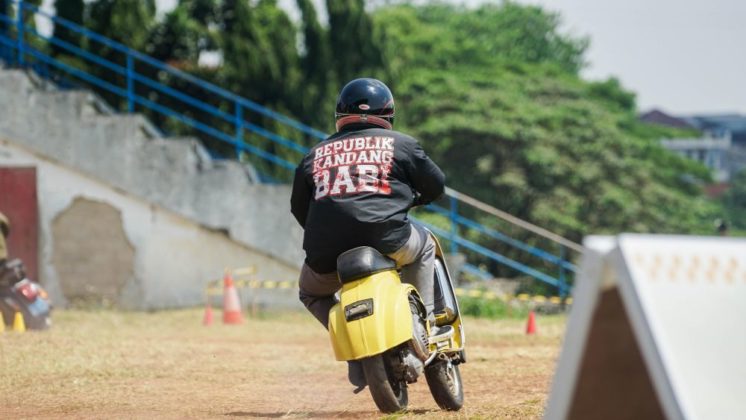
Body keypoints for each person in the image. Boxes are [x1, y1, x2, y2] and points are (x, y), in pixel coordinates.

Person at [290, 78, 446, 391]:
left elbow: (298, 208)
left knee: (310, 292)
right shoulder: (402, 145)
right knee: (427, 245)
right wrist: (416, 199)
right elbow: (436, 185)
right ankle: (425, 325)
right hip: (389, 240)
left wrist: (331, 234)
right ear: (388, 115)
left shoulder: (314, 154)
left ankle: (353, 349)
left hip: (327, 254)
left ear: (339, 116)